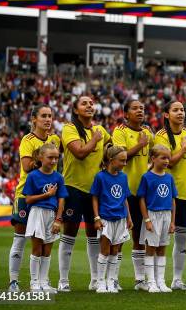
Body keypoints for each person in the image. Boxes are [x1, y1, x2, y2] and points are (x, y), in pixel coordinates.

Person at [58, 95, 111, 292]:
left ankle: (96, 279)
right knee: (69, 234)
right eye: (84, 103)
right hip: (73, 188)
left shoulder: (101, 130)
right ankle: (63, 281)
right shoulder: (69, 129)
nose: (89, 106)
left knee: (94, 234)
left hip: (95, 191)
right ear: (75, 109)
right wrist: (96, 140)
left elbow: (110, 150)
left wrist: (109, 151)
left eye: (91, 103)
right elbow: (80, 153)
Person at [8, 104, 61, 292]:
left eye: (50, 116)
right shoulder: (28, 140)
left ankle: (41, 282)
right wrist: (45, 155)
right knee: (20, 238)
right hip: (26, 195)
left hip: (48, 198)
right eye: (43, 116)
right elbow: (27, 166)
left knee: (46, 243)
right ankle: (13, 281)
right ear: (34, 119)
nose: (48, 119)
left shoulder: (55, 139)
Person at [112, 99, 153, 291]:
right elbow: (120, 156)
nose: (139, 111)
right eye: (135, 108)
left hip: (141, 192)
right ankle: (113, 279)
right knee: (119, 236)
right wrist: (140, 145)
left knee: (139, 236)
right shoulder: (120, 131)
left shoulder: (147, 133)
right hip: (121, 191)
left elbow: (158, 153)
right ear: (126, 113)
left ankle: (139, 280)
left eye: (142, 108)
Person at [154, 101, 186, 290]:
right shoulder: (161, 136)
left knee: (181, 239)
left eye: (182, 110)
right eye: (175, 110)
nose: (180, 113)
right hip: (165, 194)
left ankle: (177, 279)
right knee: (159, 238)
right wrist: (184, 149)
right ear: (166, 114)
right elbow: (167, 163)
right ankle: (154, 279)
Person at [22, 143, 67, 293]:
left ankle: (44, 282)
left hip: (52, 215)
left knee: (47, 250)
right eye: (50, 158)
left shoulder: (59, 177)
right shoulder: (33, 176)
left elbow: (61, 199)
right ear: (41, 157)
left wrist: (58, 219)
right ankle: (34, 282)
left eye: (56, 158)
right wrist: (46, 195)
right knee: (37, 249)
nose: (54, 161)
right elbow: (28, 199)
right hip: (37, 213)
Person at [90, 145, 133, 293]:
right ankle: (100, 282)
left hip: (120, 218)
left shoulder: (123, 177)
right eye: (122, 160)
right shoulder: (100, 177)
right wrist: (96, 217)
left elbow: (125, 198)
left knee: (115, 251)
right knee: (105, 250)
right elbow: (95, 198)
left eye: (125, 160)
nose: (124, 164)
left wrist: (129, 217)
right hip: (106, 218)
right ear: (111, 160)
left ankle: (111, 281)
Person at [137, 145, 177, 293]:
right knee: (150, 249)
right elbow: (142, 199)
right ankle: (151, 282)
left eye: (168, 157)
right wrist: (147, 219)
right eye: (163, 158)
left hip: (166, 215)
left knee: (162, 249)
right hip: (153, 215)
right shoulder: (147, 177)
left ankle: (161, 281)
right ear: (153, 159)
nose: (166, 161)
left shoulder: (169, 177)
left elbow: (173, 200)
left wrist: (173, 221)